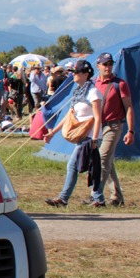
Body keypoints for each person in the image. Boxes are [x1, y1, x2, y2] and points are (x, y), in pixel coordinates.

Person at [43, 60, 103, 207]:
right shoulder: (77, 91)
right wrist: (53, 133)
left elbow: (98, 117)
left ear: (85, 74)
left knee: (72, 166)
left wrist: (95, 139)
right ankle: (99, 199)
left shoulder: (93, 92)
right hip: (81, 136)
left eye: (76, 72)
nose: (73, 75)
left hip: (89, 137)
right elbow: (69, 116)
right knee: (91, 167)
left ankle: (63, 199)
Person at [88, 52, 134, 207]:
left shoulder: (120, 84)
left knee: (102, 159)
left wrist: (131, 130)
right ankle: (117, 197)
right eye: (105, 64)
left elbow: (129, 108)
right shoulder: (93, 84)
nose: (108, 67)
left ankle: (95, 196)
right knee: (108, 162)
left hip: (114, 125)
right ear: (98, 66)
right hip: (97, 126)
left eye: (110, 64)